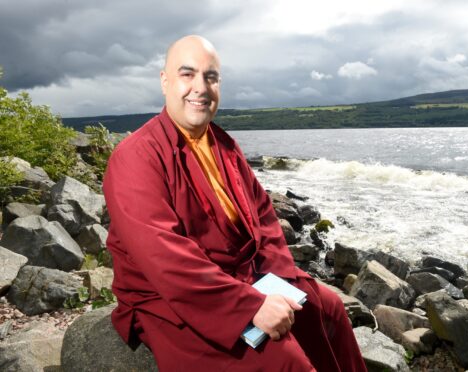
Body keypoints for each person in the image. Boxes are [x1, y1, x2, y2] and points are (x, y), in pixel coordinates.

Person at [103, 35, 367, 372]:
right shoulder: (136, 157)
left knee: (327, 307)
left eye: (210, 77)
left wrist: (283, 279)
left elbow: (264, 219)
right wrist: (248, 308)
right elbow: (165, 259)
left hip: (242, 277)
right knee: (285, 361)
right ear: (164, 81)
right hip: (174, 299)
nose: (200, 87)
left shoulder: (223, 145)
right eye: (187, 75)